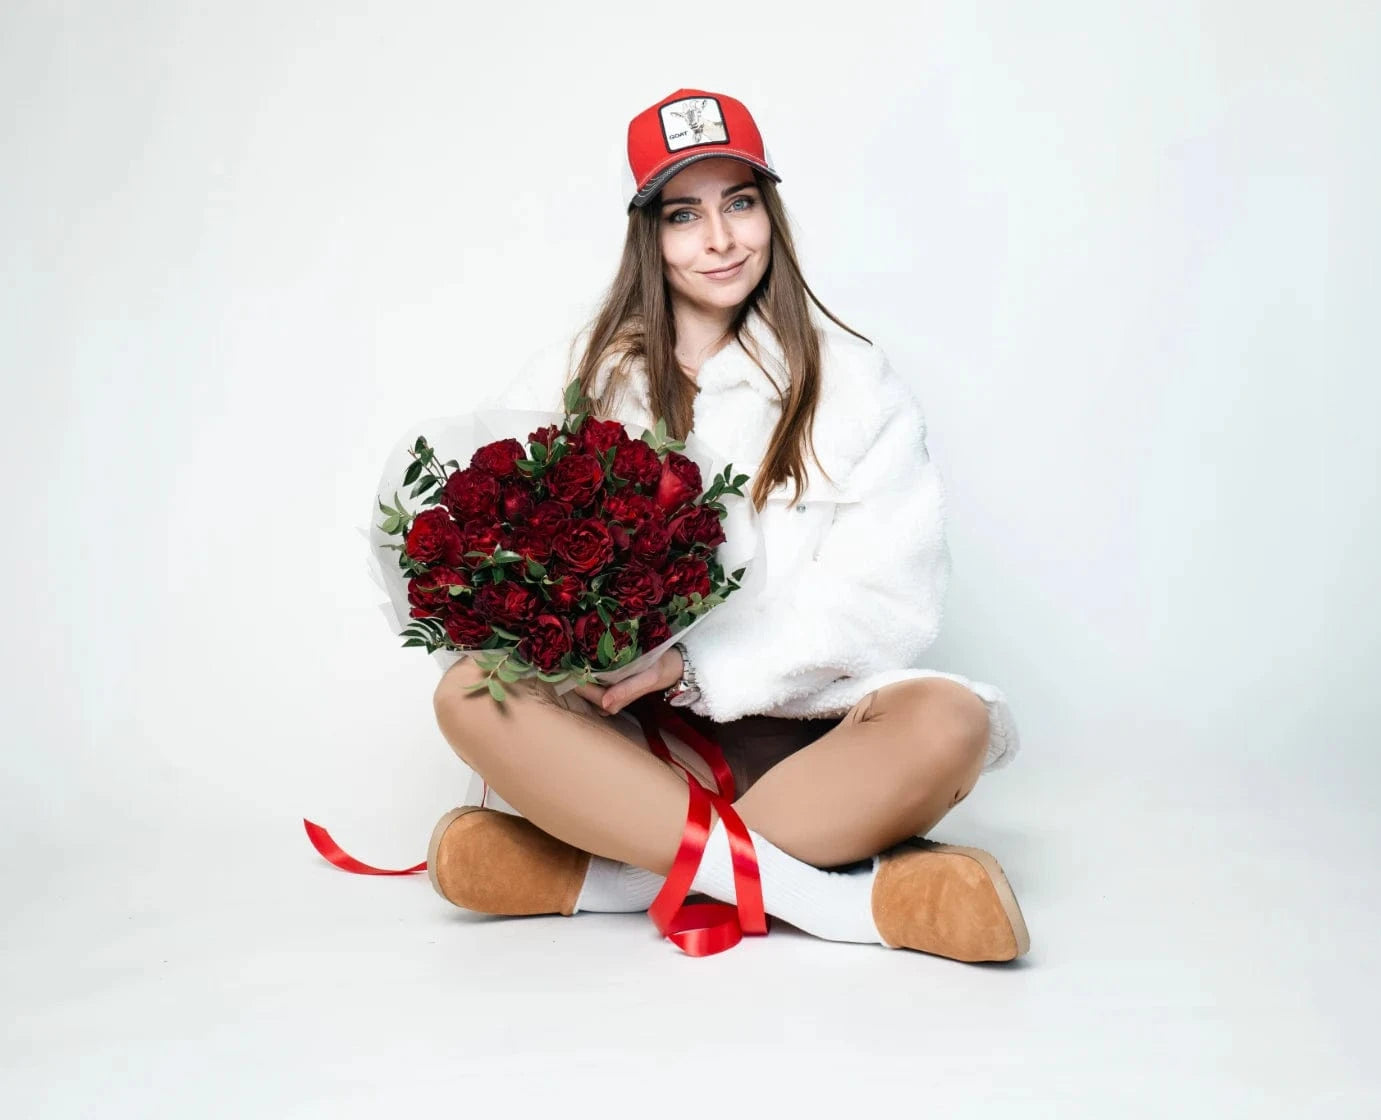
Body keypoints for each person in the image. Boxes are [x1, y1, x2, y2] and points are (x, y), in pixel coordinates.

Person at [421, 88, 1028, 961]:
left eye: (740, 203)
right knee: (471, 690)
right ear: (648, 235)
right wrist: (561, 638)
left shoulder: (856, 384)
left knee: (951, 720)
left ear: (770, 214)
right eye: (685, 214)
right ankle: (835, 905)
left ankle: (610, 876)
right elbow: (499, 538)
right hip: (629, 748)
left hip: (810, 749)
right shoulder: (578, 371)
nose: (720, 239)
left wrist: (698, 667)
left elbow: (889, 603)